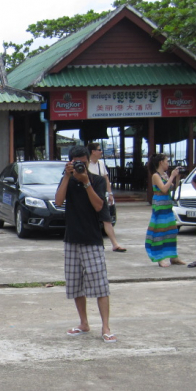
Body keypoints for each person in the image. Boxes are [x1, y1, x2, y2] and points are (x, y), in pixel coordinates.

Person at [54, 145, 115, 343]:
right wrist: (66, 176)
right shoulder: (68, 180)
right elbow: (58, 201)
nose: (81, 165)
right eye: (76, 162)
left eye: (84, 162)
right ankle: (84, 323)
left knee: (100, 286)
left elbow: (99, 206)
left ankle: (105, 326)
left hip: (92, 240)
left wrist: (86, 182)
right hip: (72, 239)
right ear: (71, 162)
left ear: (89, 161)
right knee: (75, 285)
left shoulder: (97, 180)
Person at [145, 153, 185, 267]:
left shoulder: (165, 175)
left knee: (172, 230)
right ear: (161, 162)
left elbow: (171, 188)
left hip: (167, 205)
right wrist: (172, 176)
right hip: (160, 205)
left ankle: (174, 256)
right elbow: (163, 189)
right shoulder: (156, 176)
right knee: (159, 231)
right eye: (167, 161)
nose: (168, 163)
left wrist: (176, 178)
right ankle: (159, 257)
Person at [87, 143, 126, 252]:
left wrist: (110, 194)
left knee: (107, 219)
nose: (101, 152)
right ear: (93, 151)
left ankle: (115, 244)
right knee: (90, 220)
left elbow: (106, 179)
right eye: (99, 150)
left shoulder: (101, 164)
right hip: (90, 196)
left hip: (101, 195)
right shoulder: (86, 164)